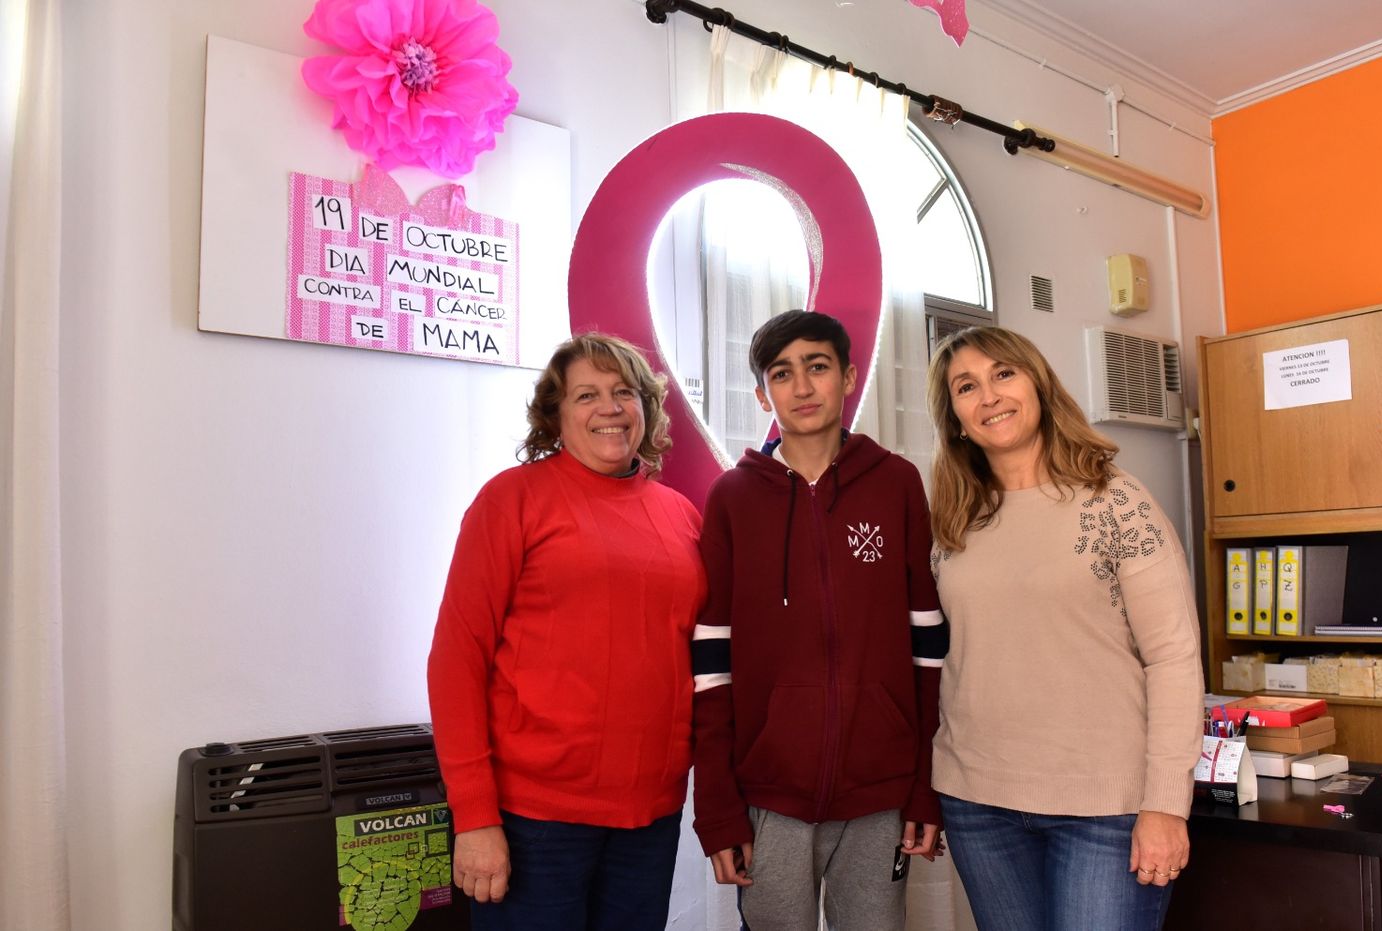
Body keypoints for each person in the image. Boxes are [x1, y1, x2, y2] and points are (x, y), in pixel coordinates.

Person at [925, 326, 1203, 931]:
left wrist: (1165, 804)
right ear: (955, 419)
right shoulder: (951, 522)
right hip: (979, 801)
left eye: (1004, 374)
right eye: (966, 387)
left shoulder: (1117, 502)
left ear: (1038, 384)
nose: (989, 396)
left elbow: (1174, 658)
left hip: (1106, 808)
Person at [426, 333, 707, 931]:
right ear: (556, 414)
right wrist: (474, 816)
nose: (608, 407)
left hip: (649, 817)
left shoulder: (681, 515)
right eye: (586, 394)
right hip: (532, 822)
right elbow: (456, 661)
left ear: (646, 409)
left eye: (623, 392)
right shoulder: (511, 500)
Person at [690, 309, 948, 931]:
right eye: (782, 373)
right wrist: (718, 809)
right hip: (768, 798)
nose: (802, 387)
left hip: (882, 793)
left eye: (817, 367)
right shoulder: (731, 498)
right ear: (762, 393)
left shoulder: (897, 484)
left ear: (849, 376)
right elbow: (710, 661)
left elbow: (929, 647)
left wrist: (925, 787)